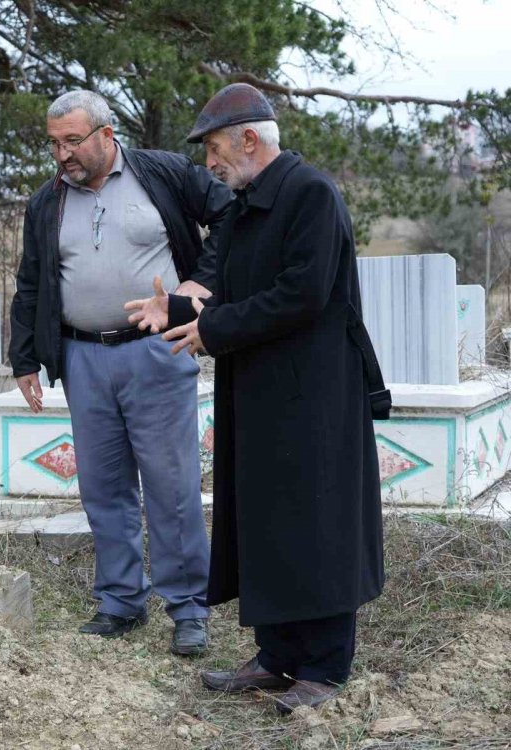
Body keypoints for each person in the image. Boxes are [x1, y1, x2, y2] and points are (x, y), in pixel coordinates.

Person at [125, 83, 385, 712]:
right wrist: (180, 305)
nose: (208, 163)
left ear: (248, 139)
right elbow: (225, 283)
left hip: (317, 395)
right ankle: (276, 657)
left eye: (214, 148)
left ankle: (324, 667)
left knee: (317, 525)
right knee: (267, 519)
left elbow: (303, 293)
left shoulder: (311, 195)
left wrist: (211, 328)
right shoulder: (243, 208)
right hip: (261, 390)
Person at [8, 90, 233, 654]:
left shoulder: (164, 173)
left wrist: (195, 290)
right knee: (103, 486)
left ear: (107, 135)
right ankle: (119, 601)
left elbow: (233, 218)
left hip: (155, 351)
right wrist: (25, 356)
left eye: (73, 141)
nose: (62, 155)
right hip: (82, 356)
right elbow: (32, 280)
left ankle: (187, 607)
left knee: (170, 484)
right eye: (54, 144)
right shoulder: (47, 202)